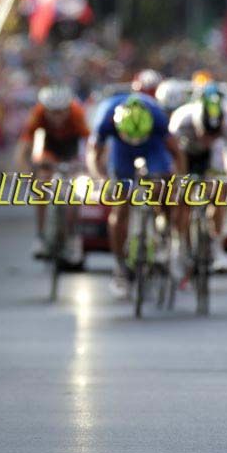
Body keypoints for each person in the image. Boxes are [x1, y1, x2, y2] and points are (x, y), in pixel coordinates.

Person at [87, 92, 186, 298]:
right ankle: (121, 268)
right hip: (121, 150)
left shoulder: (157, 117)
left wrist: (178, 183)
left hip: (153, 147)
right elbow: (93, 155)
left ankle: (164, 231)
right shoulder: (106, 117)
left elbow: (177, 154)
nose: (135, 141)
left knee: (161, 187)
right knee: (120, 206)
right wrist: (102, 179)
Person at [170, 82, 227, 274]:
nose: (207, 139)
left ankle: (216, 245)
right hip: (184, 154)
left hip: (210, 158)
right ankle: (181, 244)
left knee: (219, 191)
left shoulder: (226, 123)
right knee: (181, 198)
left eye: (213, 135)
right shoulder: (181, 119)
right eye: (205, 133)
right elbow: (171, 157)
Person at [15, 85, 90, 262]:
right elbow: (23, 148)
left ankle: (72, 237)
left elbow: (89, 144)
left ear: (68, 109)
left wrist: (86, 166)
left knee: (74, 192)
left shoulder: (77, 114)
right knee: (41, 185)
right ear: (45, 110)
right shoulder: (38, 113)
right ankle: (40, 236)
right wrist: (27, 172)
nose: (57, 117)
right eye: (52, 112)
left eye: (61, 112)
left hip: (71, 149)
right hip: (49, 148)